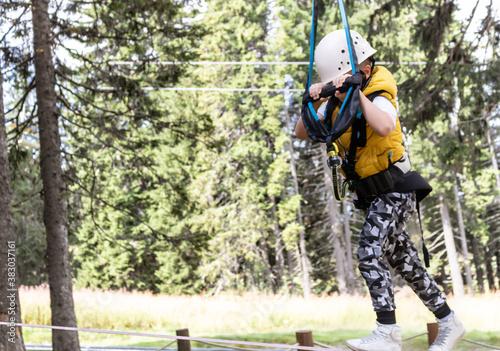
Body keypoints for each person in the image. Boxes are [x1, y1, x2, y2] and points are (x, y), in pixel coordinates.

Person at [295, 29, 466, 351]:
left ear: (365, 71)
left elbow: (385, 126)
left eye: (341, 78)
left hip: (395, 187)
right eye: (334, 80)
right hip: (373, 196)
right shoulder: (334, 102)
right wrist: (315, 98)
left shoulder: (378, 94)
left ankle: (387, 331)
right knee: (404, 261)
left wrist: (356, 91)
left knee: (368, 250)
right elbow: (302, 133)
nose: (337, 85)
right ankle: (449, 320)